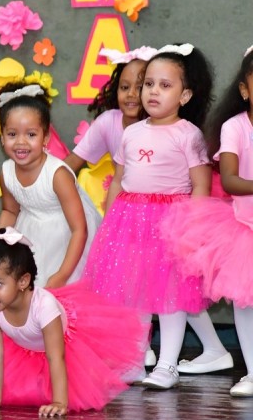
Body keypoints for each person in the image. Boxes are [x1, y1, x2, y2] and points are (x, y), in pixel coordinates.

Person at [64, 46, 229, 373]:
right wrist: (110, 222)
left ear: (184, 96)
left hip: (171, 222)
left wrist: (192, 227)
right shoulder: (132, 132)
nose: (153, 91)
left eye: (165, 86)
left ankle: (166, 366)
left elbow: (200, 184)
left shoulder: (189, 135)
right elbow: (119, 180)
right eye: (148, 84)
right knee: (134, 291)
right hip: (130, 221)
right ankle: (135, 362)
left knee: (171, 294)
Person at [0, 227, 147, 415]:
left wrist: (60, 402)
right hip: (25, 345)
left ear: (23, 281)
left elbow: (56, 357)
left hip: (65, 345)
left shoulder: (43, 307)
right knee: (26, 390)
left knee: (79, 375)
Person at [163, 46, 253, 396]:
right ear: (244, 90)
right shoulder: (235, 127)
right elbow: (229, 180)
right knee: (245, 301)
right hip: (244, 226)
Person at [0, 82, 101, 288]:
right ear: (2, 137)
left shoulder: (57, 175)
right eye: (12, 134)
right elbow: (9, 211)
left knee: (60, 296)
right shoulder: (6, 172)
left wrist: (62, 275)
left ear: (45, 138)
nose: (21, 142)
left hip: (68, 239)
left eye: (31, 134)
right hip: (31, 232)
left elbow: (79, 229)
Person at [63, 46, 154, 173]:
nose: (130, 94)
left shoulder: (164, 126)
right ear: (116, 90)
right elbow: (72, 162)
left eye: (140, 88)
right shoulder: (108, 122)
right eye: (124, 87)